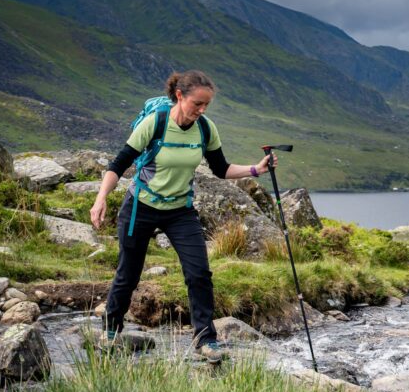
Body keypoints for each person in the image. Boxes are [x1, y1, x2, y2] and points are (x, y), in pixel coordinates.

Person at [89, 70, 274, 362]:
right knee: (129, 273)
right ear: (179, 96)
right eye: (197, 104)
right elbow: (118, 164)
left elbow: (221, 168)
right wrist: (100, 199)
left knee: (199, 272)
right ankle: (111, 330)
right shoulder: (156, 123)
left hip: (179, 210)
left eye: (206, 105)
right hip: (141, 206)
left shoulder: (206, 129)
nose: (201, 111)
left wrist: (255, 170)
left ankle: (205, 341)